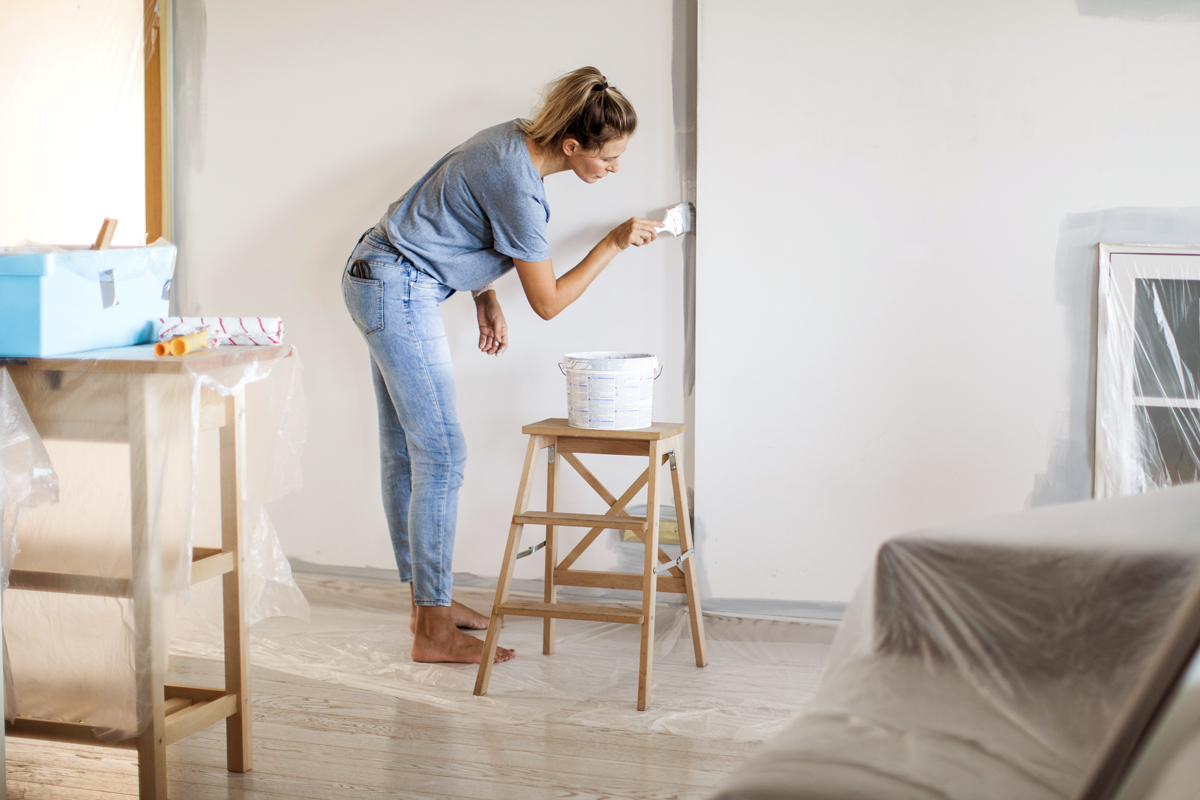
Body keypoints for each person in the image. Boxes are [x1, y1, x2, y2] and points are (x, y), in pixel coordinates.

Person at [341, 66, 661, 664]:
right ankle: (431, 630)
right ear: (573, 145)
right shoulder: (520, 186)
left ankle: (426, 606)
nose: (614, 168)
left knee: (407, 453)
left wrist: (483, 291)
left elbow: (449, 213)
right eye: (610, 158)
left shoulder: (512, 138)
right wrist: (612, 244)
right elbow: (548, 302)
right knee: (441, 455)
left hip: (381, 273)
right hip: (397, 287)